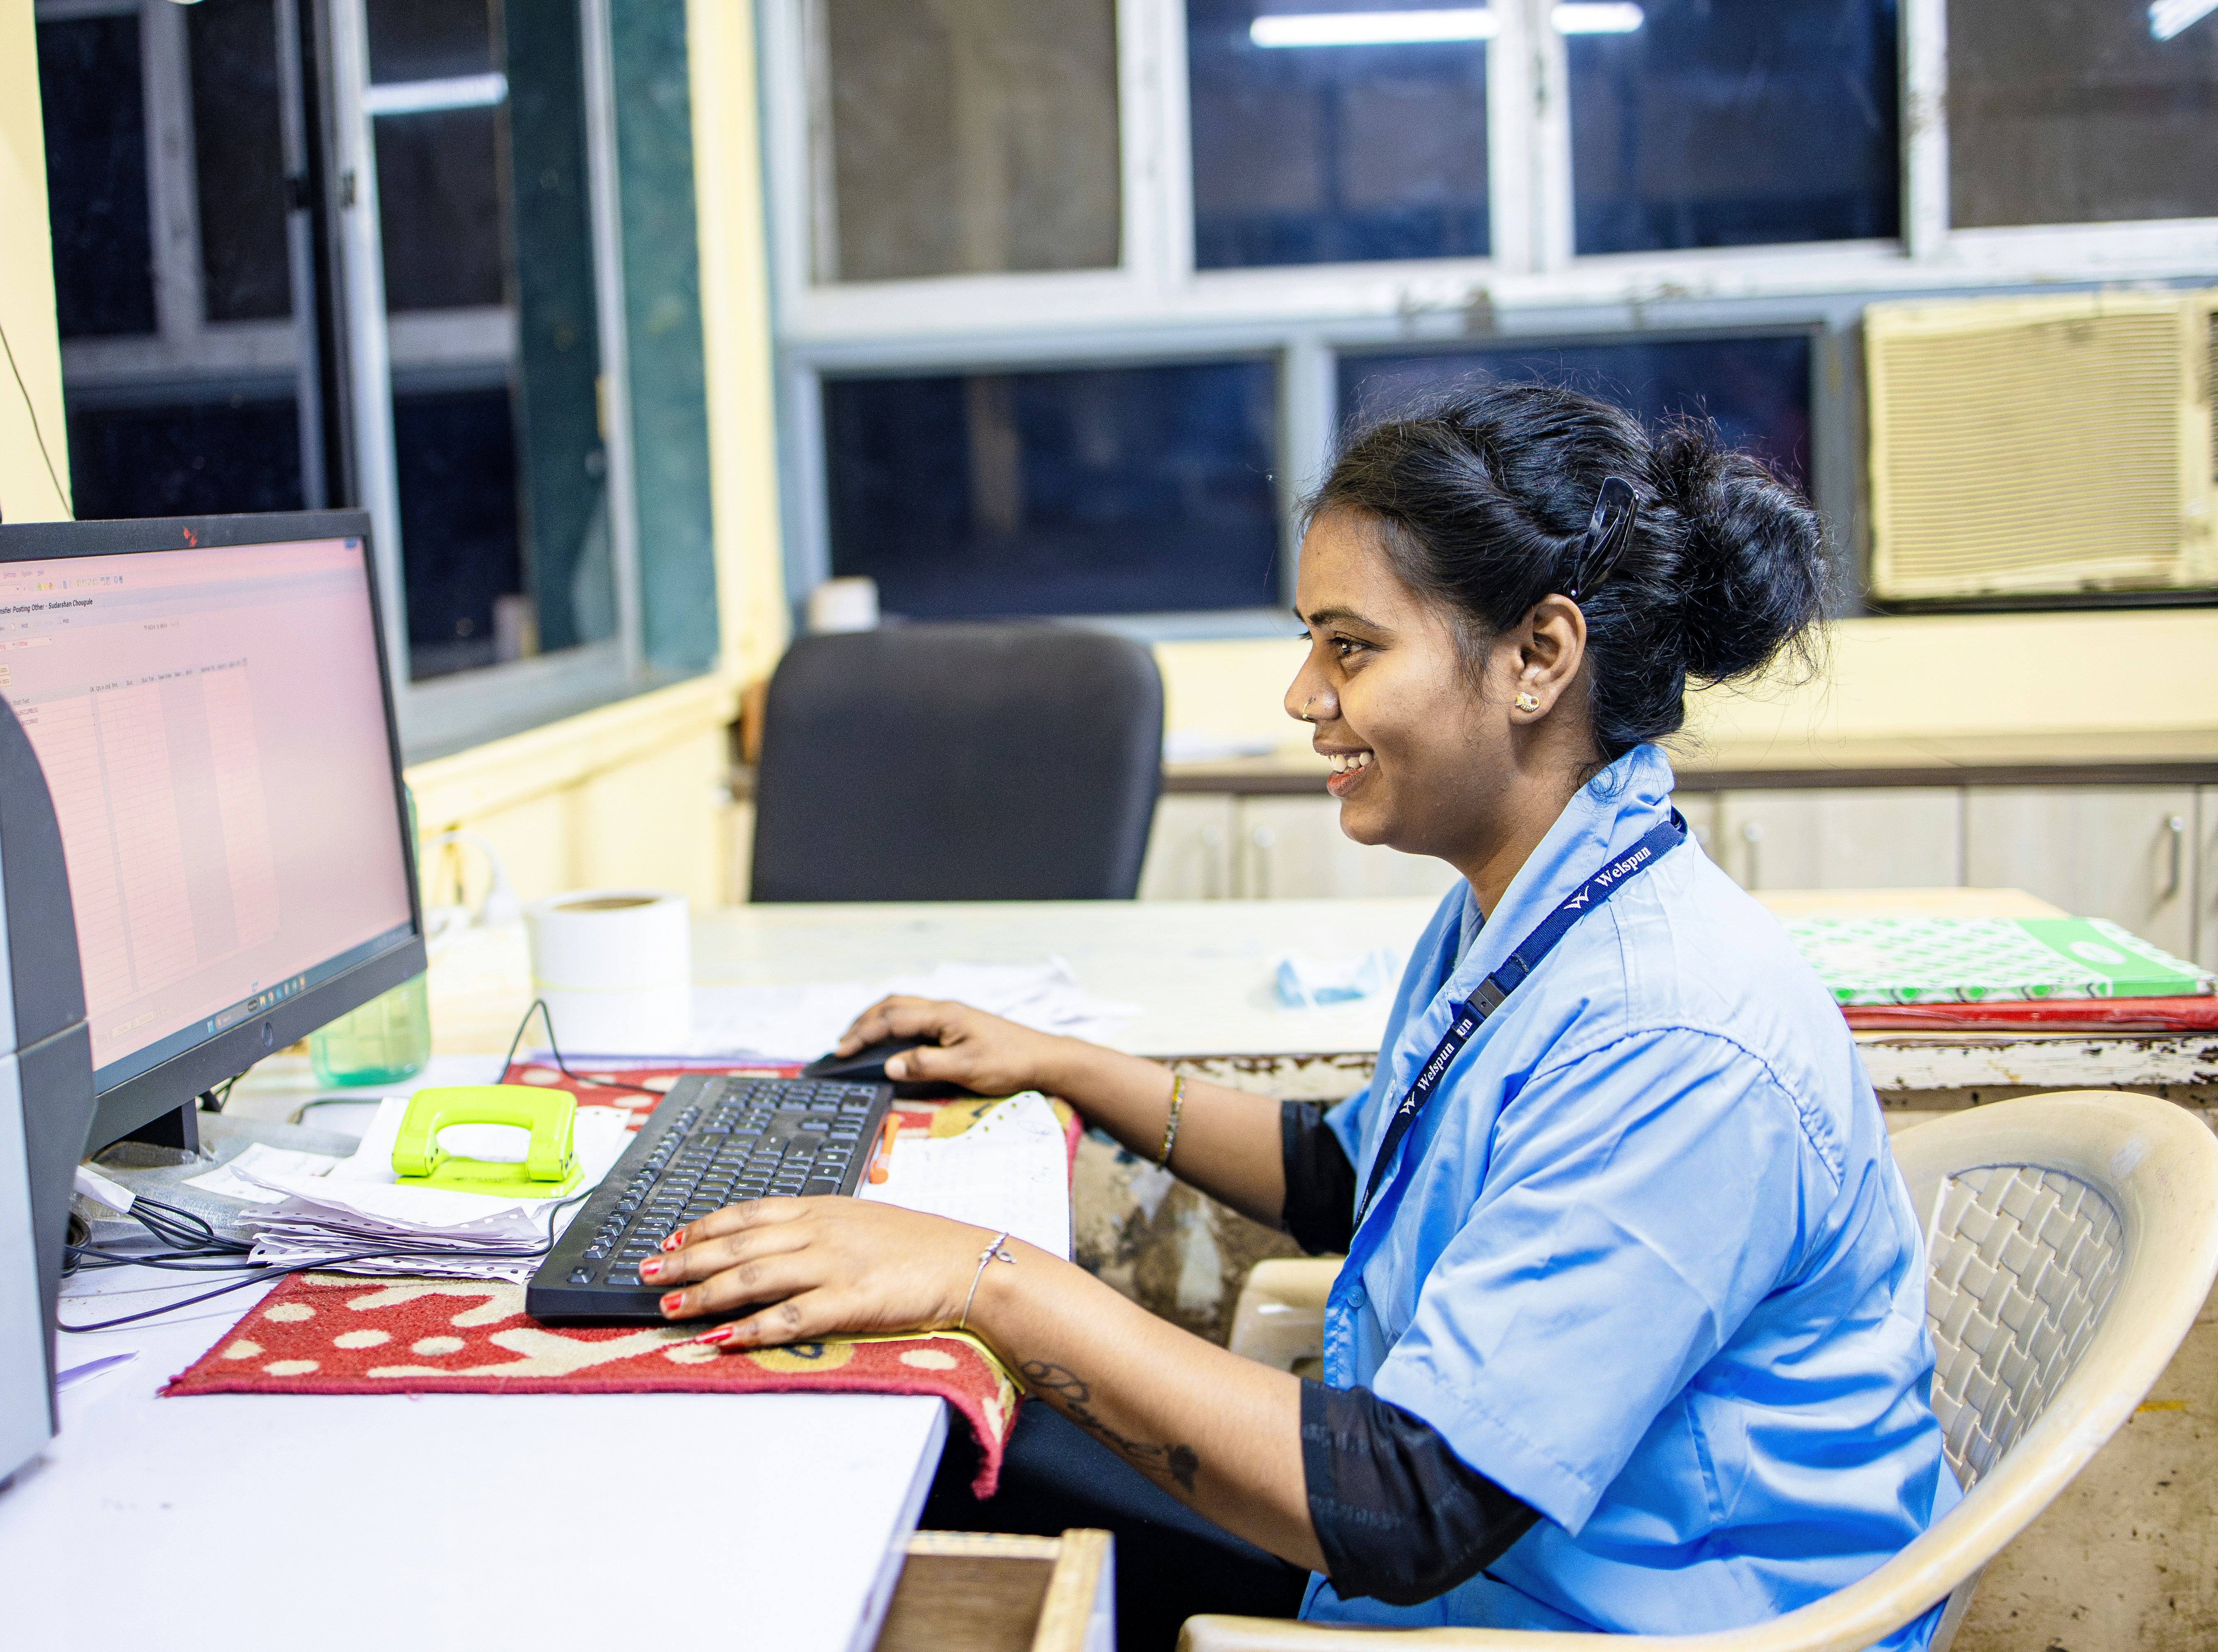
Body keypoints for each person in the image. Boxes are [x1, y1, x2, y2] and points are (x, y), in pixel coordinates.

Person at [642, 384, 1959, 1649]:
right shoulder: (1533, 906)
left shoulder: (1670, 1039)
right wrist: (1063, 1065)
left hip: (1625, 1621)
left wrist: (980, 1276)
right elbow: (1351, 1172)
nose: (1303, 696)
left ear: (1539, 658)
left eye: (1352, 646)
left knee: (957, 1477)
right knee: (990, 1460)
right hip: (1510, 1559)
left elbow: (1412, 1506)